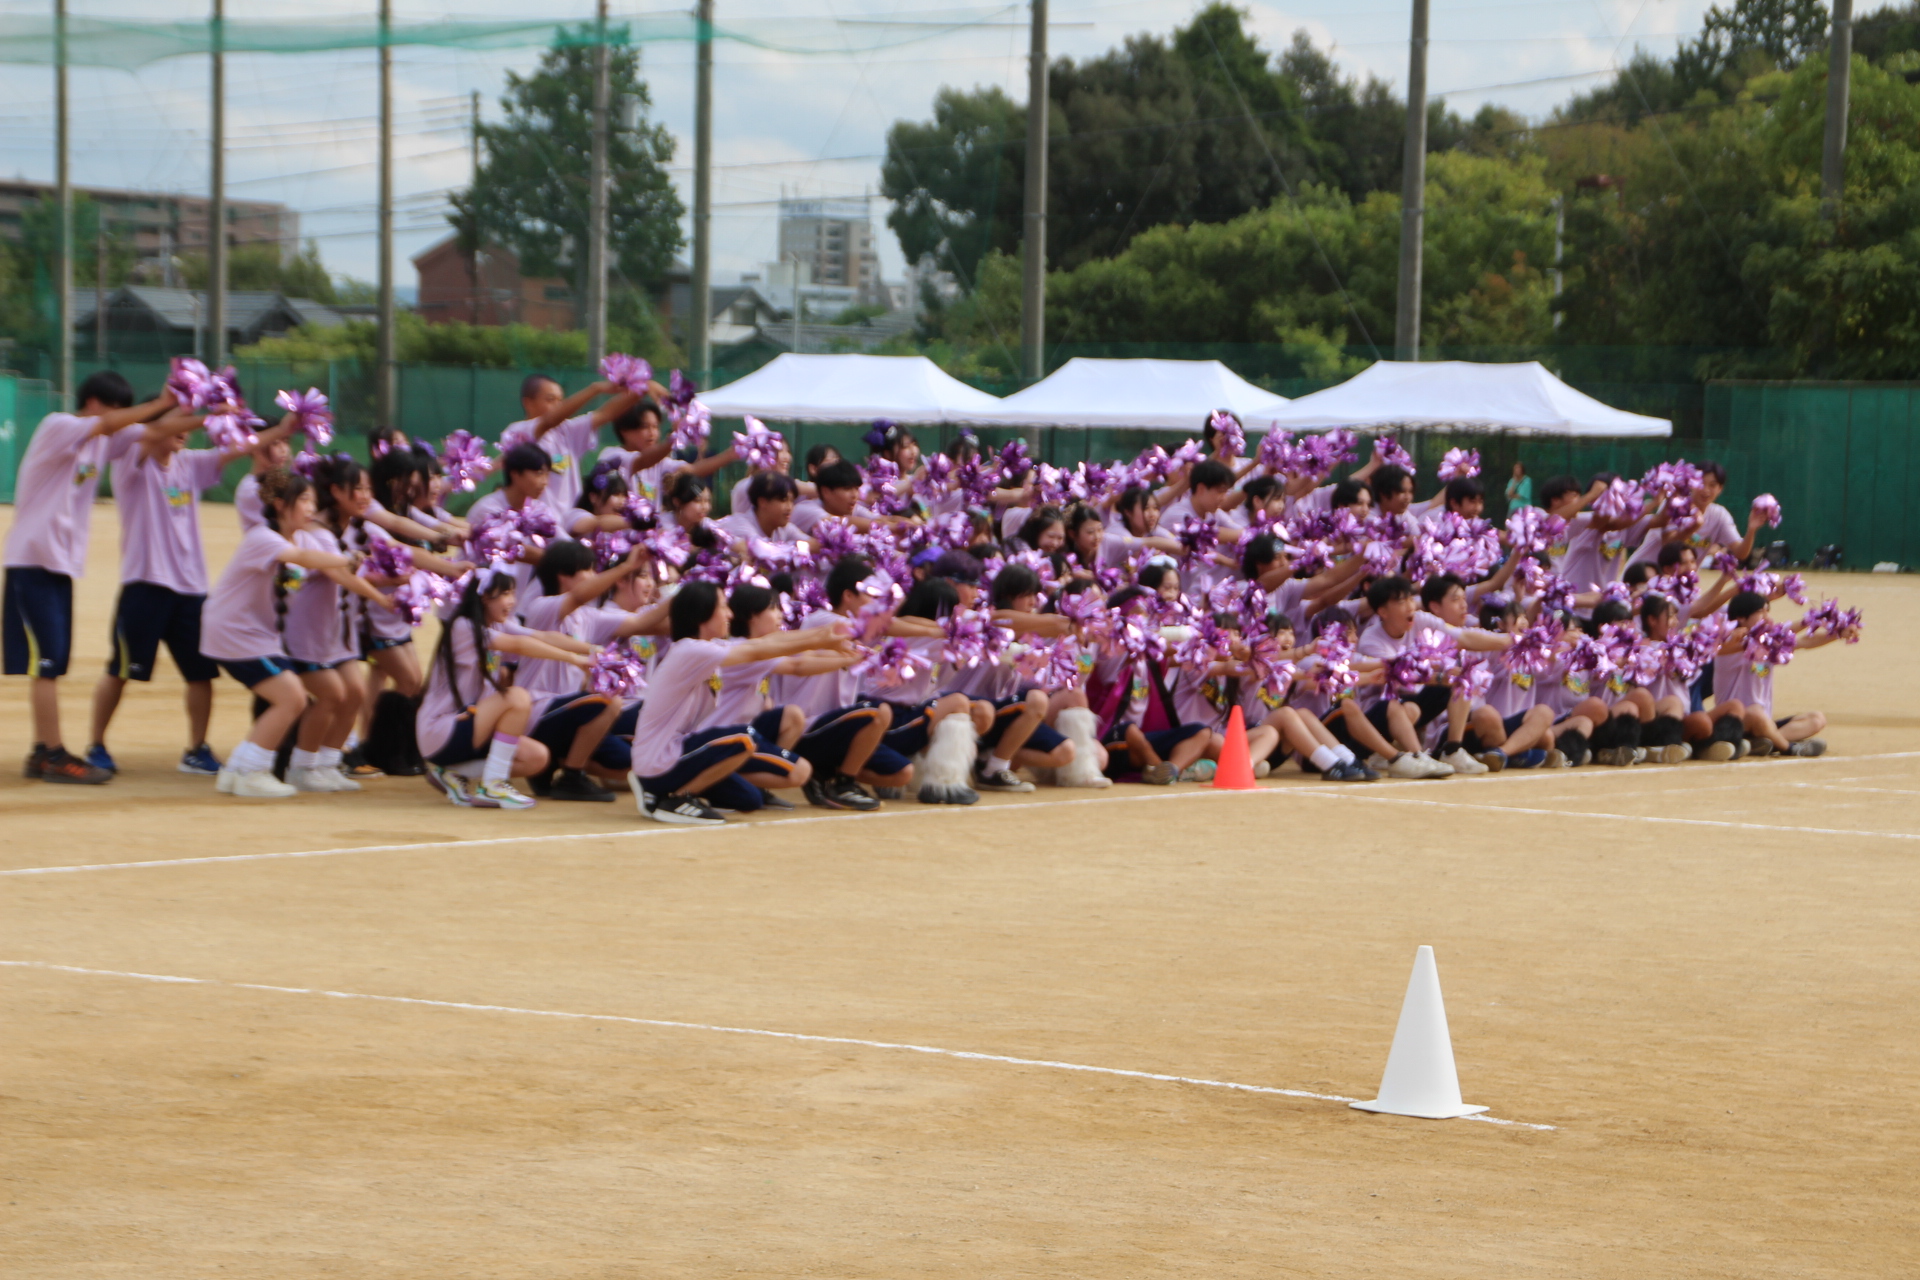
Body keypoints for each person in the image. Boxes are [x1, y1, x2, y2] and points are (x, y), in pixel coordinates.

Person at [6, 371, 177, 783]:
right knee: (45, 663)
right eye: (118, 407)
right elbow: (117, 423)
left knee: (54, 661)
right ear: (96, 403)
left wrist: (205, 413)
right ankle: (52, 754)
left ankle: (39, 753)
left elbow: (154, 431)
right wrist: (160, 400)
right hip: (32, 560)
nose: (121, 417)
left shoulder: (101, 441)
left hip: (59, 565)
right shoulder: (60, 426)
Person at [87, 400, 270, 775]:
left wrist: (287, 428)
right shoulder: (131, 465)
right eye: (178, 422)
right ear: (155, 428)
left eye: (190, 423)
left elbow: (240, 446)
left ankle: (196, 749)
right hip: (145, 585)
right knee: (121, 669)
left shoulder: (190, 464)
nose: (187, 429)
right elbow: (145, 435)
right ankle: (96, 745)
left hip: (191, 589)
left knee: (201, 674)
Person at [198, 468, 392, 798]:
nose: (310, 507)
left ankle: (238, 771)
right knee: (291, 697)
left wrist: (381, 599)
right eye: (303, 500)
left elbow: (335, 571)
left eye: (312, 501)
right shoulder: (263, 538)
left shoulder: (302, 537)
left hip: (257, 635)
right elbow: (305, 559)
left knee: (294, 697)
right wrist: (346, 556)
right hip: (234, 632)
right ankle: (251, 772)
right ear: (279, 505)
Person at [626, 581, 855, 826]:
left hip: (678, 752)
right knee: (745, 738)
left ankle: (666, 789)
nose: (730, 614)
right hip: (659, 760)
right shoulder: (690, 651)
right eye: (723, 606)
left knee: (749, 799)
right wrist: (821, 639)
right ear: (703, 612)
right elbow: (759, 650)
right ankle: (674, 798)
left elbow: (762, 644)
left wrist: (825, 636)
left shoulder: (707, 648)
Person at [416, 566, 594, 809]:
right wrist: (575, 660)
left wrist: (596, 652)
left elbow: (542, 637)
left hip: (469, 725)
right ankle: (493, 785)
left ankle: (451, 772)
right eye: (505, 594)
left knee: (537, 758)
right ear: (483, 597)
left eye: (512, 593)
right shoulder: (463, 626)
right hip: (441, 729)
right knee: (517, 697)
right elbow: (519, 644)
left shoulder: (497, 624)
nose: (512, 601)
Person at [499, 375, 640, 513]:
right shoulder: (517, 431)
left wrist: (640, 388)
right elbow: (549, 421)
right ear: (528, 403)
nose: (559, 406)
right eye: (551, 400)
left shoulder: (567, 430)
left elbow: (605, 414)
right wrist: (595, 389)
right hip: (535, 522)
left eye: (561, 400)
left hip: (571, 525)